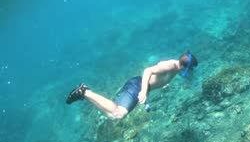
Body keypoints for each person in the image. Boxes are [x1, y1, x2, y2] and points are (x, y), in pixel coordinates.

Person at [66, 51, 198, 119]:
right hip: (137, 86)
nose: (190, 72)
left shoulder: (176, 67)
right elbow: (148, 71)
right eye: (190, 69)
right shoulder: (170, 65)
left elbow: (158, 75)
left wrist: (162, 84)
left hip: (138, 85)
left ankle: (84, 93)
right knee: (117, 114)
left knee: (113, 116)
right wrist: (143, 91)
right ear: (184, 66)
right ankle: (85, 92)